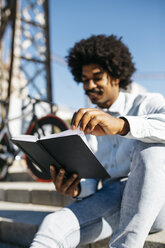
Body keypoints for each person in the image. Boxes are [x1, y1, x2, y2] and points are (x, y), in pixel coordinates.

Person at [30, 34, 165, 248]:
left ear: (116, 76)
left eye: (97, 77)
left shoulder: (148, 103)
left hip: (154, 203)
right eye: (84, 80)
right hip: (110, 198)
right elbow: (89, 184)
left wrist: (121, 125)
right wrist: (73, 188)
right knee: (52, 225)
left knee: (152, 147)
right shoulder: (87, 121)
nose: (90, 85)